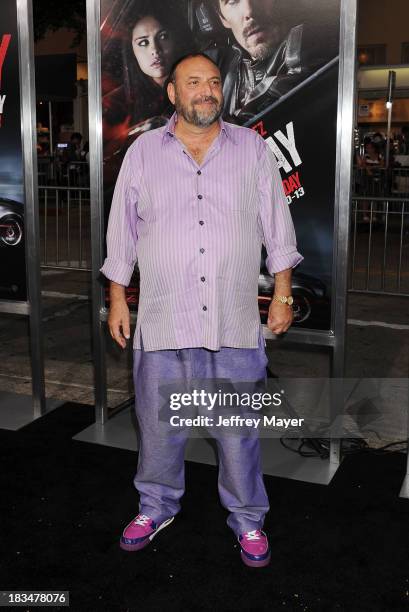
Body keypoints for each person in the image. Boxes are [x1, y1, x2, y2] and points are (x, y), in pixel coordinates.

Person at [100, 53, 303, 568]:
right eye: (194, 83)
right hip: (165, 318)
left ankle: (248, 518)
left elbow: (277, 225)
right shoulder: (143, 152)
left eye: (213, 82)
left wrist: (282, 292)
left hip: (233, 321)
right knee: (158, 424)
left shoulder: (252, 149)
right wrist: (118, 298)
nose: (206, 91)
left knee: (237, 432)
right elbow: (121, 233)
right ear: (172, 92)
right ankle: (156, 506)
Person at [205, 0, 331, 121]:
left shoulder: (310, 41)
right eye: (232, 1)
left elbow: (297, 85)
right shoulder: (223, 75)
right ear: (222, 18)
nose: (249, 11)